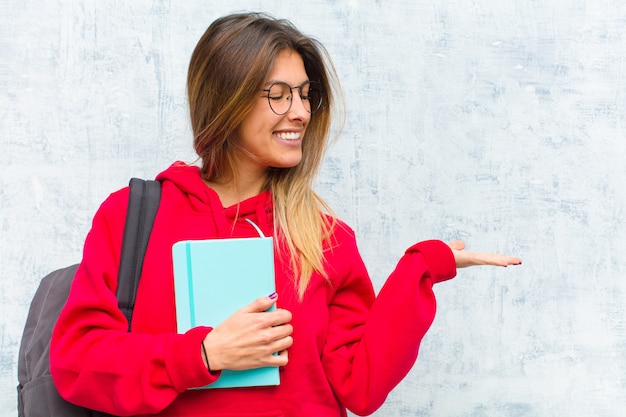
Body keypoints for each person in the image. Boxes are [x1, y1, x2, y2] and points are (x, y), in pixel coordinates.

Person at [50, 12, 522, 417]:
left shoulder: (324, 236)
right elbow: (76, 362)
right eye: (278, 94)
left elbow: (361, 386)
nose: (299, 112)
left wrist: (419, 270)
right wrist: (203, 353)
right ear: (225, 101)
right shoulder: (133, 218)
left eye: (304, 94)